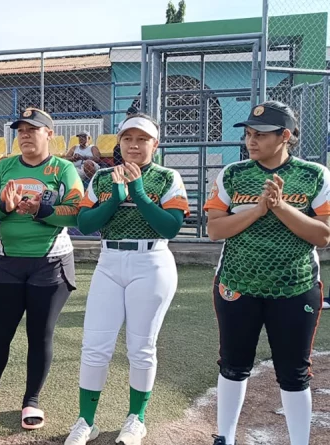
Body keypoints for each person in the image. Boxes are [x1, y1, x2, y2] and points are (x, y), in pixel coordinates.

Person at [205, 101, 329, 445]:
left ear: (285, 136)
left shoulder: (314, 174)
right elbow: (216, 230)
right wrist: (259, 210)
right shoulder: (232, 174)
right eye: (248, 134)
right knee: (232, 364)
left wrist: (282, 206)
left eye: (260, 134)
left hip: (295, 288)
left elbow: (323, 234)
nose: (251, 141)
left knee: (293, 372)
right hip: (237, 286)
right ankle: (225, 438)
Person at [65, 114, 189, 445]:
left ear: (155, 144)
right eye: (127, 139)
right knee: (94, 346)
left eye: (142, 139)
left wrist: (138, 192)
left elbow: (171, 227)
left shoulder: (166, 177)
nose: (134, 145)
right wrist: (118, 196)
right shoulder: (104, 177)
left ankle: (136, 419)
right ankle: (85, 421)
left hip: (152, 261)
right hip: (109, 260)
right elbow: (87, 223)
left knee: (141, 347)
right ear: (118, 143)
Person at [0, 108, 82, 430]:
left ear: (49, 134)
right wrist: (5, 206)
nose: (25, 134)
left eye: (33, 129)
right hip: (9, 263)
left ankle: (31, 402)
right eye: (21, 130)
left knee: (39, 336)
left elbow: (77, 214)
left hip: (50, 264)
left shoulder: (63, 169)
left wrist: (44, 210)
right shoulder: (4, 168)